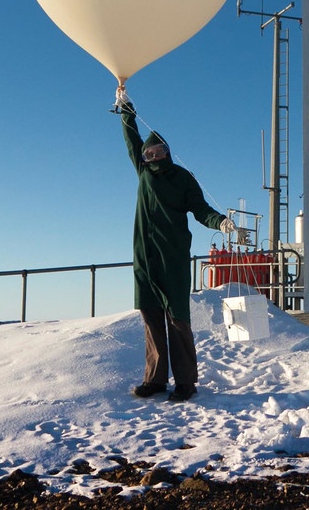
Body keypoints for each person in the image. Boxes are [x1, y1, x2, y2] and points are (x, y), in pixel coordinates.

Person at [116, 85, 235, 402]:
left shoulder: (183, 177)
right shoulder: (143, 172)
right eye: (147, 153)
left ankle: (185, 382)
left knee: (178, 319)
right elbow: (131, 140)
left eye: (156, 152)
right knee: (150, 314)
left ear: (167, 151)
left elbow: (201, 210)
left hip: (174, 257)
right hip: (144, 257)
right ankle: (154, 380)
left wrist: (220, 222)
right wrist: (125, 108)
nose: (150, 156)